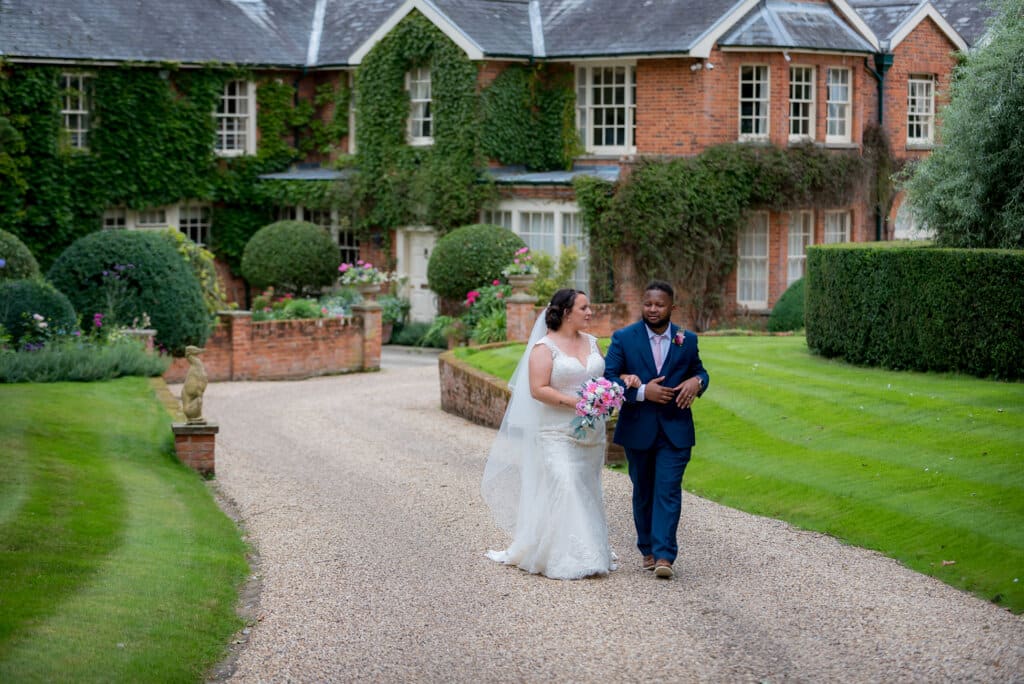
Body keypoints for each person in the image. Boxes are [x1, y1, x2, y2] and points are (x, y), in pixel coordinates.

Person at [482, 288, 639, 580]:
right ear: (566, 313)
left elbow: (602, 379)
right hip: (555, 431)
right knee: (565, 484)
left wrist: (618, 385)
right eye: (584, 308)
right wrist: (577, 402)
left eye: (589, 307)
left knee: (585, 488)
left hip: (590, 433)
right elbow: (538, 389)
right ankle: (567, 557)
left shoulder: (592, 343)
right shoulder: (544, 348)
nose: (590, 312)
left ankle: (592, 550)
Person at [603, 280, 709, 579]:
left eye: (659, 305)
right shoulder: (624, 338)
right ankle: (647, 547)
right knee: (644, 491)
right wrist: (641, 393)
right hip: (639, 428)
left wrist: (697, 382)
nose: (652, 309)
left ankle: (664, 555)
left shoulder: (686, 340)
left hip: (676, 429)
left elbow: (700, 370)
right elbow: (608, 380)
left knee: (668, 489)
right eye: (648, 304)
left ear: (672, 308)